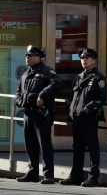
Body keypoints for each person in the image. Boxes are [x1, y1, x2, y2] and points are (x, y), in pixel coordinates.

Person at [15, 45, 63, 184]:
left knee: (45, 145)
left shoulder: (46, 71)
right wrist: (19, 101)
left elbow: (57, 84)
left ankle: (48, 175)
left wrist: (42, 95)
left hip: (41, 114)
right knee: (30, 145)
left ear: (38, 57)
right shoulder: (26, 73)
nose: (27, 58)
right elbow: (18, 92)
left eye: (30, 55)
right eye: (26, 55)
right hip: (28, 113)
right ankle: (32, 173)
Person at [60, 48, 107, 188]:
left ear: (93, 60)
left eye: (87, 58)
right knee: (77, 148)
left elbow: (101, 98)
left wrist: (89, 108)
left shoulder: (98, 78)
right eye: (82, 58)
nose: (84, 60)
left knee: (92, 148)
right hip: (76, 119)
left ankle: (93, 177)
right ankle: (75, 176)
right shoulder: (78, 77)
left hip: (89, 118)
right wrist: (69, 108)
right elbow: (71, 96)